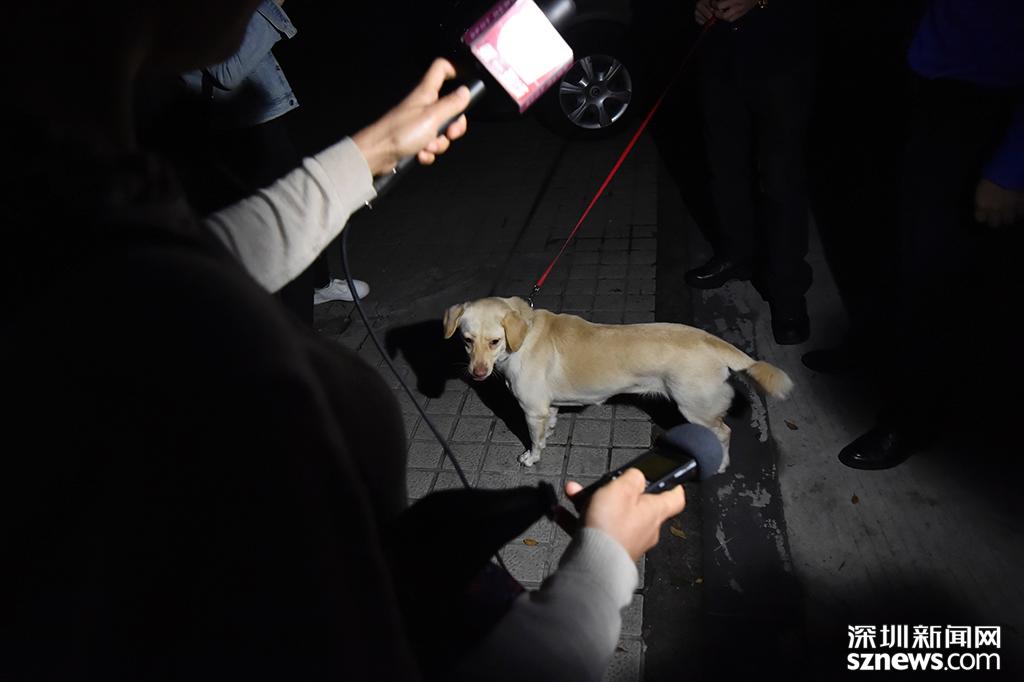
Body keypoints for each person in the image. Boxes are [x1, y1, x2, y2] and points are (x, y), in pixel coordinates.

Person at [1, 4, 685, 682]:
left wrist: (368, 155)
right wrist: (603, 566)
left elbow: (207, 252)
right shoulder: (137, 341)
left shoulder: (82, 208)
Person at [836, 0, 1023, 469]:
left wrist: (1011, 168)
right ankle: (874, 356)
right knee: (890, 245)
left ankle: (911, 421)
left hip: (985, 103)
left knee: (935, 276)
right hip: (922, 82)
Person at [147, 0, 369, 325]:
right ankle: (298, 337)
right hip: (241, 129)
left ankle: (319, 286)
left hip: (260, 117)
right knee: (291, 227)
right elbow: (227, 71)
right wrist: (271, 5)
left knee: (300, 201)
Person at [688, 0, 816, 344]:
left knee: (780, 179)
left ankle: (788, 292)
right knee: (723, 169)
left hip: (780, 52)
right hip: (718, 55)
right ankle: (736, 255)